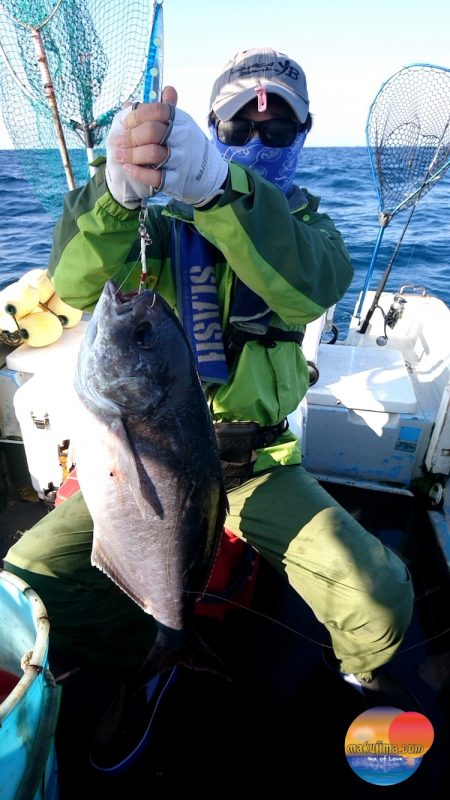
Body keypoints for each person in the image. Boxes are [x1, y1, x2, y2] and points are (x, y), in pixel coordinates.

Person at [4, 47, 415, 746]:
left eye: (278, 127)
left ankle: (346, 692)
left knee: (379, 598)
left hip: (257, 465)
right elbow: (75, 283)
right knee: (26, 578)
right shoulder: (160, 229)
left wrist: (220, 191)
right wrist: (114, 194)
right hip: (146, 460)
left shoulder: (313, 234)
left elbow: (308, 282)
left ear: (306, 132)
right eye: (238, 125)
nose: (258, 138)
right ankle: (150, 653)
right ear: (214, 132)